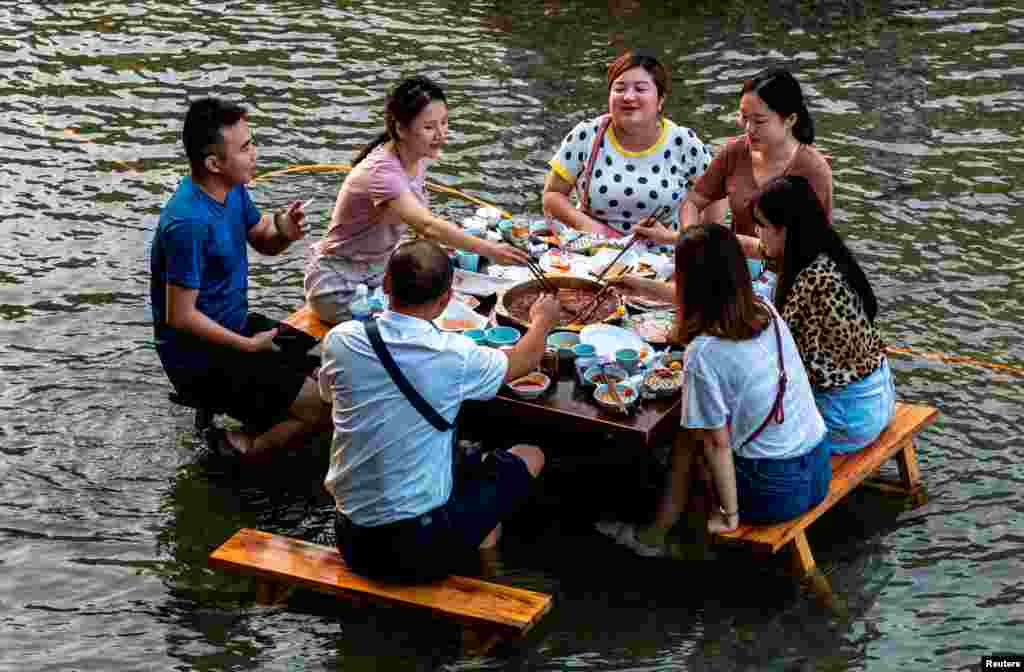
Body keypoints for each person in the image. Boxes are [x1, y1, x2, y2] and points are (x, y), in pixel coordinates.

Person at [319, 240, 561, 582]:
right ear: (447, 299)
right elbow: (521, 363)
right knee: (528, 455)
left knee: (469, 471)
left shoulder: (341, 339)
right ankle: (491, 578)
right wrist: (542, 322)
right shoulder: (455, 355)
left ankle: (479, 553)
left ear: (386, 284)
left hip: (351, 537)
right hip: (415, 550)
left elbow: (331, 398)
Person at [597, 224, 829, 555]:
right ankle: (658, 533)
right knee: (692, 430)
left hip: (775, 491)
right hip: (817, 469)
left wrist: (730, 515)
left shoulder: (704, 353)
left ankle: (662, 539)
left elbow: (717, 443)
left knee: (692, 437)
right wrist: (642, 287)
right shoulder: (765, 308)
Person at [150, 97, 332, 461]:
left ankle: (253, 411)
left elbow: (264, 239)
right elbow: (180, 316)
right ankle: (240, 449)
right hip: (201, 358)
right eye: (246, 147)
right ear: (214, 163)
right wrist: (247, 347)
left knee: (334, 363)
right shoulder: (187, 222)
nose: (255, 155)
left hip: (236, 327)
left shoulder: (231, 190)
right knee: (326, 406)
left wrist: (283, 231)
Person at [304, 76, 528, 324]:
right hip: (340, 287)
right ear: (401, 129)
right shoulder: (382, 171)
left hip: (380, 274)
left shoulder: (416, 157)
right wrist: (490, 249)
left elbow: (423, 228)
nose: (441, 134)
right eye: (429, 127)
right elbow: (426, 225)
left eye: (444, 123)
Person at [752, 175, 895, 454]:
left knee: (739, 425)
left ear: (785, 230)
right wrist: (678, 239)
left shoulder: (812, 281)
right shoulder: (823, 251)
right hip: (877, 399)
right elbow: (757, 248)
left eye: (761, 226)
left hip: (847, 420)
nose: (757, 233)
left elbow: (775, 355)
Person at [634, 67, 832, 257]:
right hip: (737, 266)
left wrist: (703, 240)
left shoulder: (813, 169)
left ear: (790, 120)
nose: (749, 129)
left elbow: (805, 246)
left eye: (760, 121)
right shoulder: (735, 151)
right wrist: (690, 239)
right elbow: (693, 202)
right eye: (744, 118)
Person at [542, 49, 716, 247]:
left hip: (664, 255)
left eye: (640, 89)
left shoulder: (684, 142)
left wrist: (697, 242)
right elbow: (552, 195)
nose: (628, 97)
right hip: (594, 250)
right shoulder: (587, 134)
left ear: (660, 100)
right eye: (619, 88)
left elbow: (715, 195)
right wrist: (592, 227)